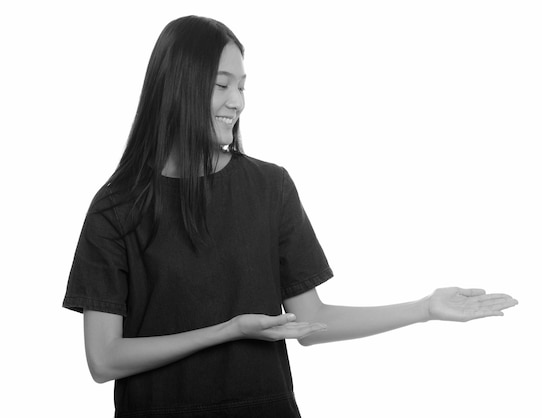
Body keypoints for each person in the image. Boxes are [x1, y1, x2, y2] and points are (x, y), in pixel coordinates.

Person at [62, 15, 518, 418]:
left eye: (242, 86)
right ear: (178, 85)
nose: (237, 101)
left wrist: (423, 309)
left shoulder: (269, 187)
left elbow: (311, 322)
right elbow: (104, 359)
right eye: (222, 85)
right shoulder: (116, 209)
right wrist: (227, 331)